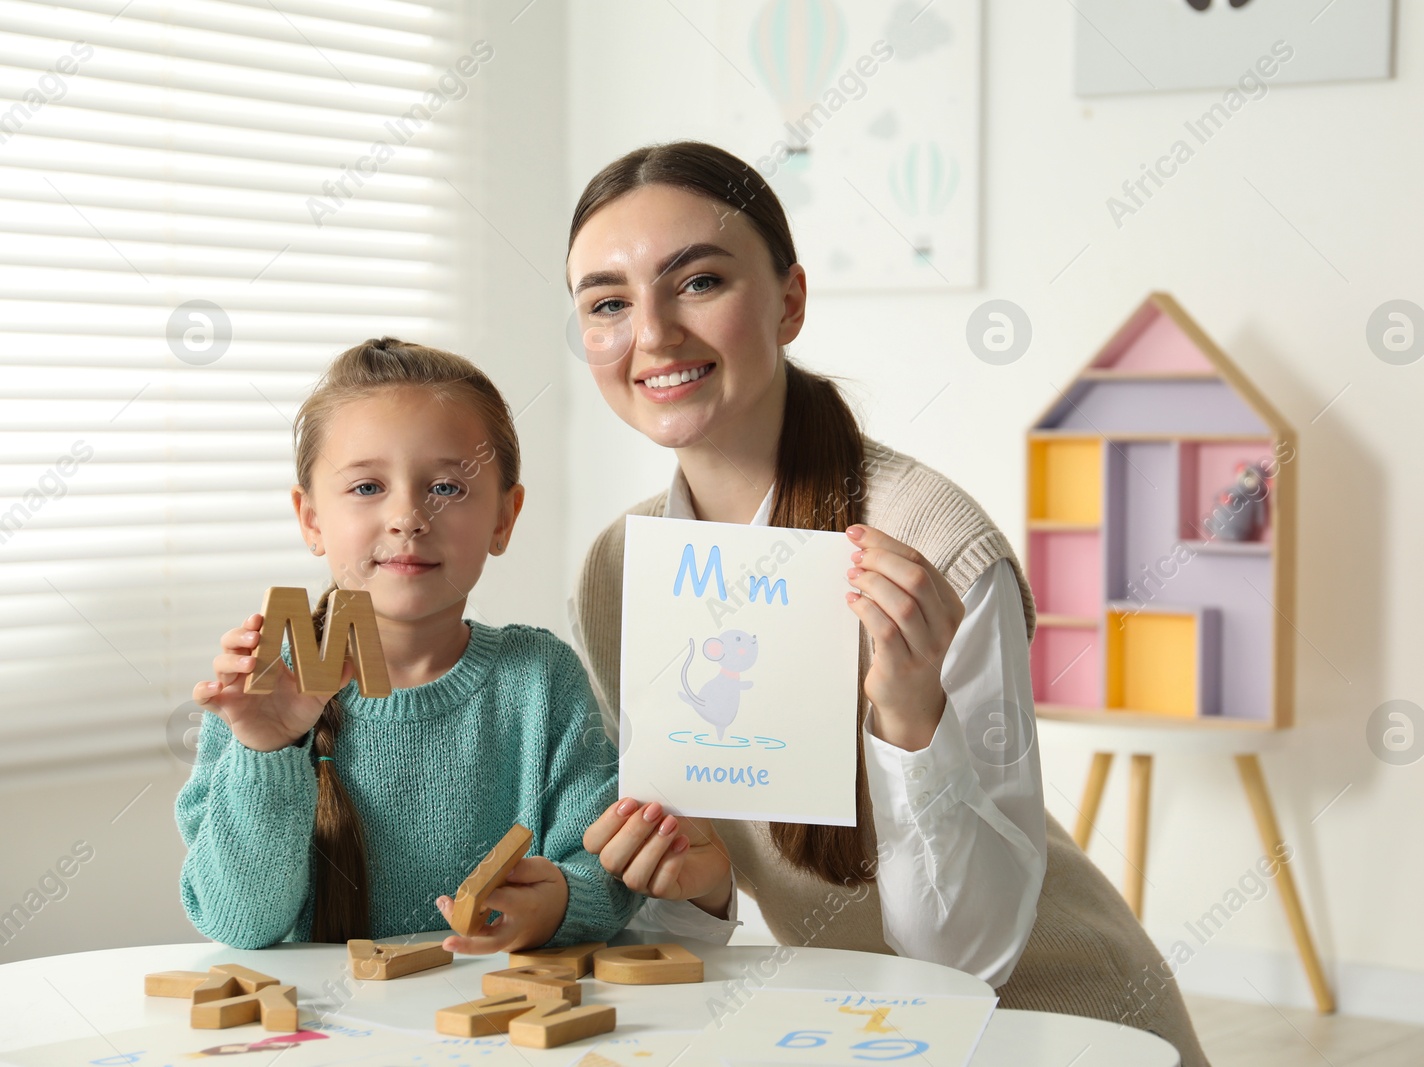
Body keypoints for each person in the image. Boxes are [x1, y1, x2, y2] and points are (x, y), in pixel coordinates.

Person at [565, 142, 1208, 1065]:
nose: (654, 334)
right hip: (870, 1033)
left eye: (698, 281)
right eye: (609, 304)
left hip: (1060, 1023)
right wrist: (698, 888)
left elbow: (967, 953)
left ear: (789, 301)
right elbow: (699, 905)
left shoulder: (933, 543)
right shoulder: (623, 568)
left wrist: (912, 720)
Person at [177, 338, 639, 951]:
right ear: (311, 519)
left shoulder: (542, 681)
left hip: (489, 1031)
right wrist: (266, 749)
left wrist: (558, 904)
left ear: (504, 517)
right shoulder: (265, 688)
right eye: (367, 487)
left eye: (446, 487)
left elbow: (605, 872)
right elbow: (240, 923)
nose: (408, 517)